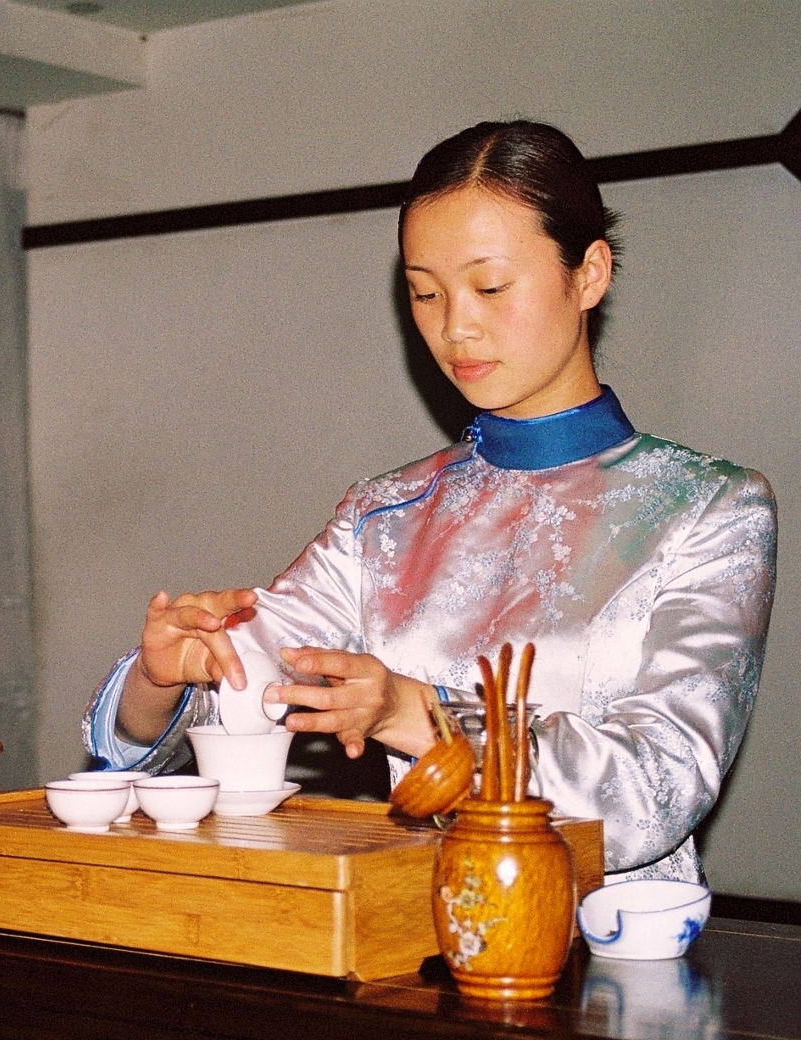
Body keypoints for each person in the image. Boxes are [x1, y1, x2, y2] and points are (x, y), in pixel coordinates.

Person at [83, 120, 776, 885]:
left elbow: (658, 787)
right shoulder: (386, 513)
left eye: (490, 287)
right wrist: (163, 677)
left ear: (589, 274)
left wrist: (417, 716)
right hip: (407, 940)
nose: (455, 325)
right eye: (424, 292)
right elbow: (244, 686)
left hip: (608, 956)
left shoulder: (708, 508)